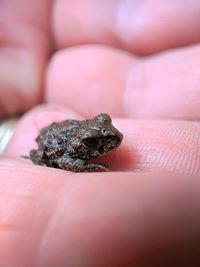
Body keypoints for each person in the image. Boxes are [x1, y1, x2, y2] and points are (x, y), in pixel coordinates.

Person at [0, 0, 200, 266]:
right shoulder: (72, 150)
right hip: (50, 145)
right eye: (95, 142)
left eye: (104, 126)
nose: (111, 137)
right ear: (85, 144)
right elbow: (62, 159)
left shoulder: (91, 133)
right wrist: (90, 166)